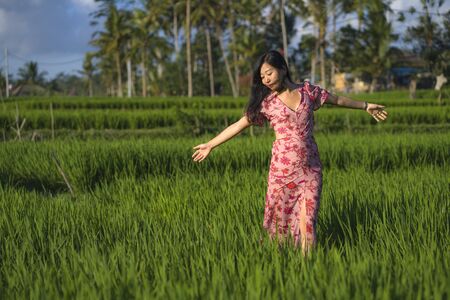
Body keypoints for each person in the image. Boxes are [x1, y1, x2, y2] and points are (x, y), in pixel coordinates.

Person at [191, 50, 388, 257]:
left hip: (310, 169)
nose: (266, 79)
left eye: (269, 73)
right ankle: (279, 260)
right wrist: (211, 145)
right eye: (262, 77)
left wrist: (365, 106)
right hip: (281, 173)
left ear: (283, 69)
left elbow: (337, 99)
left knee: (308, 221)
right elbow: (239, 125)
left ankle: (308, 267)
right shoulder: (266, 103)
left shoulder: (308, 91)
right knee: (279, 221)